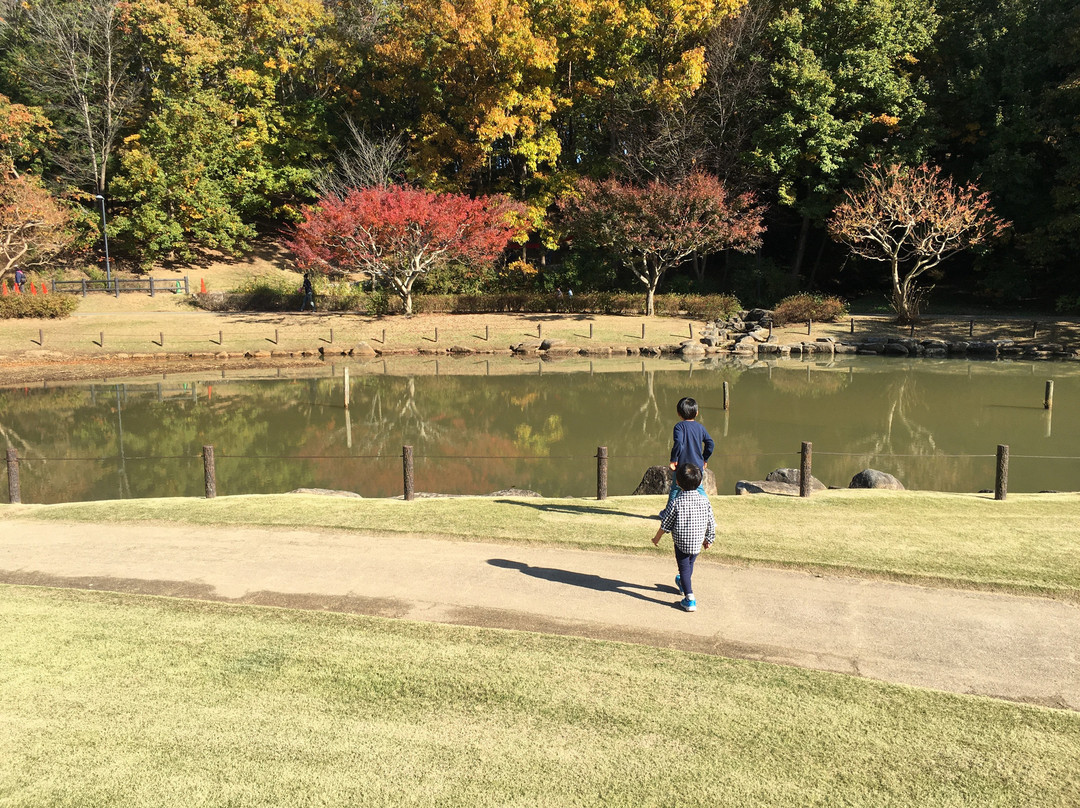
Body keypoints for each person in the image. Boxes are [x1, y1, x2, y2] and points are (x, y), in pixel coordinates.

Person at [652, 463, 715, 612]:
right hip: (697, 542)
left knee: (684, 568)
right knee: (689, 565)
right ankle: (682, 582)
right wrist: (709, 539)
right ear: (700, 482)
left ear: (678, 482)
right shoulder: (705, 501)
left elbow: (665, 524)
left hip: (681, 542)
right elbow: (711, 522)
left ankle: (690, 598)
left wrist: (656, 539)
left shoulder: (677, 502)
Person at [661, 396, 714, 518]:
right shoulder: (700, 427)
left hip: (682, 465)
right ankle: (708, 514)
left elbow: (679, 443)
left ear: (679, 413)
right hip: (697, 465)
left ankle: (668, 514)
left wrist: (674, 459)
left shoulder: (679, 427)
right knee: (699, 488)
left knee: (675, 488)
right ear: (696, 412)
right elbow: (710, 443)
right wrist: (705, 459)